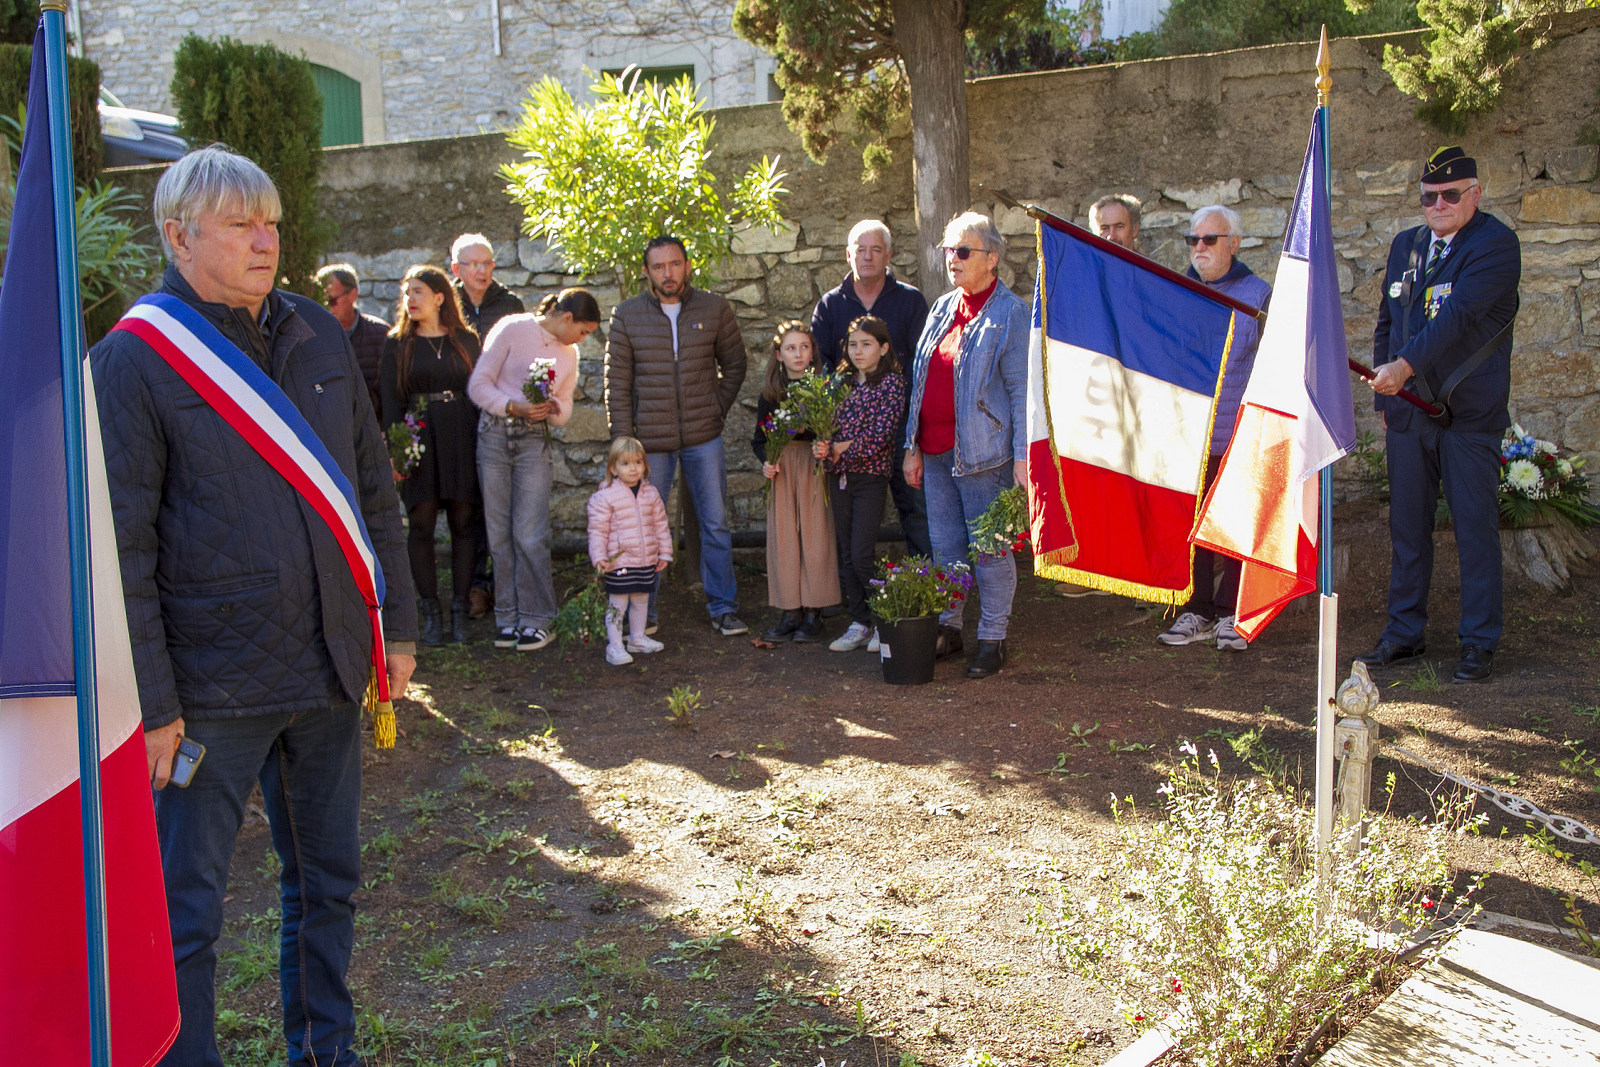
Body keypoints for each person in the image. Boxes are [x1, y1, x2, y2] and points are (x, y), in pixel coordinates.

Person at [90, 146, 416, 1067]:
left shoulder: (316, 331)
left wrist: (395, 628)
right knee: (184, 908)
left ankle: (325, 1052)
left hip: (326, 664)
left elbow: (372, 488)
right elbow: (122, 549)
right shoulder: (133, 360)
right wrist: (153, 706)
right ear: (178, 235)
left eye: (270, 222)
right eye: (240, 225)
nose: (265, 240)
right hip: (207, 690)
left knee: (328, 884)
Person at [1356, 146, 1521, 684]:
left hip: (1468, 413)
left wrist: (1403, 367)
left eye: (1452, 194)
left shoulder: (1495, 245)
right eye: (1430, 196)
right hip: (1409, 414)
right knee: (1407, 528)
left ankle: (1478, 642)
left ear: (1475, 194)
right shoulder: (1407, 245)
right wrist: (1387, 396)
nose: (1439, 204)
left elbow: (1458, 318)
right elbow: (1389, 320)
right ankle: (1404, 633)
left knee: (1473, 529)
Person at [903, 211, 1030, 679]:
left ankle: (992, 639)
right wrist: (910, 445)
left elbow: (1020, 391)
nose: (951, 260)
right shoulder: (941, 307)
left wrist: (1022, 459)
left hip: (984, 457)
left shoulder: (1010, 313)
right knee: (947, 548)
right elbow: (919, 381)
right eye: (947, 250)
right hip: (935, 452)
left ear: (991, 258)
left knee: (991, 550)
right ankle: (950, 627)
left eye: (962, 251)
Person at [604, 234, 750, 636]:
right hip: (650, 444)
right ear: (646, 271)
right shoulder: (627, 315)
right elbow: (617, 383)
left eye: (675, 264)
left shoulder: (714, 308)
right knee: (643, 526)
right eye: (658, 266)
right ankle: (643, 614)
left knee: (715, 523)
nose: (668, 273)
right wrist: (624, 443)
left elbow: (735, 365)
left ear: (687, 265)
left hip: (704, 437)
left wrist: (715, 408)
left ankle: (723, 608)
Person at [1156, 205, 1273, 652]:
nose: (1199, 248)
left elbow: (1269, 365)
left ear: (1234, 244)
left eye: (1210, 240)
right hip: (1188, 433)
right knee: (1193, 527)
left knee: (1235, 526)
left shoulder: (1257, 295)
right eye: (1193, 240)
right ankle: (1198, 608)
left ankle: (1232, 612)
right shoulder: (1180, 292)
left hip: (1239, 433)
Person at [468, 288, 600, 651]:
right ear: (567, 318)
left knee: (530, 534)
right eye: (584, 331)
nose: (583, 340)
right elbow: (478, 386)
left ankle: (540, 619)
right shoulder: (512, 328)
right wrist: (513, 407)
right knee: (499, 534)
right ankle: (508, 618)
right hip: (494, 436)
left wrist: (554, 406)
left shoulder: (569, 355)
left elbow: (566, 410)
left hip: (532, 443)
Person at [811, 219, 931, 556]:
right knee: (848, 524)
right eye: (860, 250)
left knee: (916, 510)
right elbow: (820, 368)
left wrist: (912, 428)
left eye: (876, 250)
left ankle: (929, 595)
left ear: (889, 255)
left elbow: (921, 366)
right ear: (848, 255)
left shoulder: (910, 301)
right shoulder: (831, 305)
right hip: (849, 436)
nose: (867, 257)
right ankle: (852, 600)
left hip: (902, 428)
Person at [380, 264, 482, 646]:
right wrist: (396, 450)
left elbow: (477, 393)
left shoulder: (465, 341)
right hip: (417, 433)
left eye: (418, 291)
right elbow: (391, 400)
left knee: (463, 521)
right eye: (407, 293)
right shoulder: (397, 343)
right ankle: (430, 613)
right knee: (420, 523)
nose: (410, 300)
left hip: (460, 433)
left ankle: (459, 610)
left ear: (440, 297)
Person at [818, 315, 907, 653]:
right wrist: (825, 446)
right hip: (839, 478)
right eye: (853, 344)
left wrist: (844, 449)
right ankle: (859, 622)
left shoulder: (891, 384)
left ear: (883, 348)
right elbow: (827, 427)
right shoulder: (839, 383)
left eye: (866, 344)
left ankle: (884, 621)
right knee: (845, 552)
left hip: (870, 479)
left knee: (861, 554)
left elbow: (882, 436)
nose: (858, 350)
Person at [450, 233, 524, 618]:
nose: (481, 271)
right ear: (456, 269)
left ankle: (505, 585)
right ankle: (476, 584)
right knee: (470, 501)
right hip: (460, 413)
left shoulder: (509, 304)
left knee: (504, 502)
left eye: (487, 264)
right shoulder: (446, 303)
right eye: (472, 264)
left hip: (501, 411)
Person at [752, 321, 839, 643]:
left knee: (816, 537)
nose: (798, 353)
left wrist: (825, 443)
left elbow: (833, 429)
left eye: (804, 347)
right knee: (784, 539)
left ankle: (815, 611)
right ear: (779, 355)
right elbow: (758, 440)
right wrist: (767, 461)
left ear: (812, 351)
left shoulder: (823, 388)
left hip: (813, 466)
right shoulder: (771, 394)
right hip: (783, 468)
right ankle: (790, 610)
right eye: (791, 348)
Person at [587, 436, 673, 665]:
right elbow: (597, 531)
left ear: (645, 465)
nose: (633, 468)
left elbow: (661, 525)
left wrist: (664, 553)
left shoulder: (651, 494)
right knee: (618, 603)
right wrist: (599, 557)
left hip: (645, 560)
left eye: (637, 462)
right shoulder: (604, 497)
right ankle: (614, 646)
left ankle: (637, 638)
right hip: (619, 562)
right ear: (613, 468)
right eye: (625, 464)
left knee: (641, 598)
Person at [315, 262, 389, 418]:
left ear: (353, 295)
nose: (327, 307)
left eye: (332, 300)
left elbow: (391, 392)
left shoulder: (380, 335)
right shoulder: (311, 337)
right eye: (320, 300)